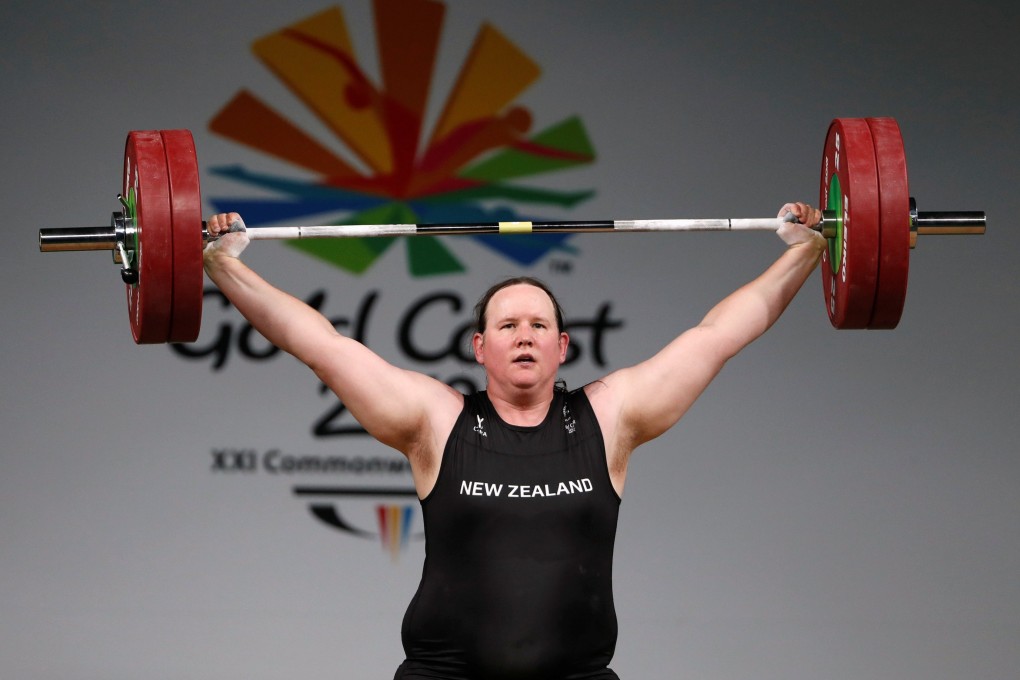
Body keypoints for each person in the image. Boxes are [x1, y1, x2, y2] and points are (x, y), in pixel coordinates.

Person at [203, 203, 825, 680]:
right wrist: (222, 264)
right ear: (480, 348)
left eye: (539, 324)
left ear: (562, 347)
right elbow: (320, 345)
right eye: (506, 324)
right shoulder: (434, 422)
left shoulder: (611, 417)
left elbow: (718, 334)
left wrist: (807, 249)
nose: (523, 334)